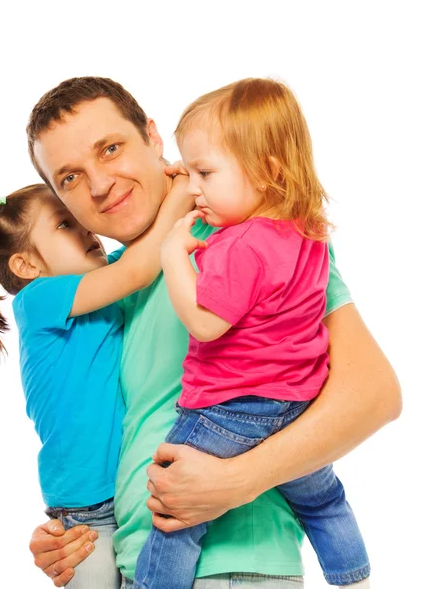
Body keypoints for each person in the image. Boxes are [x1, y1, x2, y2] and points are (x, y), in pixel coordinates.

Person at [24, 77, 401, 588]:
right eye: (68, 178)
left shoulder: (250, 236)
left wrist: (237, 480)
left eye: (110, 149)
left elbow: (374, 395)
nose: (97, 184)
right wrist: (76, 534)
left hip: (235, 565)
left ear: (154, 139)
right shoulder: (106, 289)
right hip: (141, 567)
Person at [134, 79, 369, 589]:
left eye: (205, 172)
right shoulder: (309, 230)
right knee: (325, 501)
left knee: (176, 512)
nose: (193, 186)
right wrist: (190, 175)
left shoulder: (241, 245)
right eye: (187, 170)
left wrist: (173, 256)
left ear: (266, 171)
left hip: (228, 409)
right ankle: (354, 579)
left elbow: (204, 321)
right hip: (297, 404)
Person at [0, 181, 194, 588]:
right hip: (85, 507)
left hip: (128, 491)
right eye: (64, 225)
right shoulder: (38, 298)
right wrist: (179, 197)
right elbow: (139, 269)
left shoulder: (101, 282)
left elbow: (144, 253)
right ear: (26, 266)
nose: (86, 229)